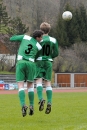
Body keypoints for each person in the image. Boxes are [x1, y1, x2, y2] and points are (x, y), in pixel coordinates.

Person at [10, 30, 43, 117]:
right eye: (41, 37)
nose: (41, 39)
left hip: (21, 62)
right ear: (37, 37)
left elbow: (12, 38)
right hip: (31, 64)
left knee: (20, 86)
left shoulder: (24, 37)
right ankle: (31, 105)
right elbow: (36, 57)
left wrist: (15, 35)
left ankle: (23, 105)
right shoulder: (39, 46)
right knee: (30, 86)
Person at [35, 22, 59, 114]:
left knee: (38, 81)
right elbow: (56, 53)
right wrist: (49, 57)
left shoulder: (37, 39)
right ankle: (49, 101)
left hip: (39, 62)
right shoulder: (53, 40)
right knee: (48, 82)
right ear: (49, 30)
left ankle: (41, 99)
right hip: (48, 62)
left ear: (41, 30)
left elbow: (34, 50)